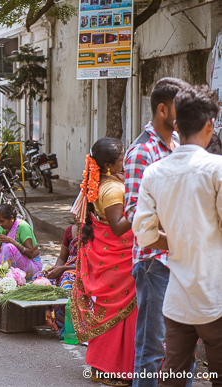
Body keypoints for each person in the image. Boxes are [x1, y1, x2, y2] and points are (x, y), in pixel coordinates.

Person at [133, 85, 222, 387]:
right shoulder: (216, 168)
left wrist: (180, 241)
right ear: (210, 126)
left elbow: (143, 235)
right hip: (214, 297)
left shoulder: (155, 172)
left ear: (177, 124)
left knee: (172, 376)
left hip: (177, 301)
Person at [123, 77, 190, 387]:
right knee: (152, 350)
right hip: (154, 263)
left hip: (181, 262)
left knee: (182, 350)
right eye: (181, 108)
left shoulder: (178, 146)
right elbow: (137, 217)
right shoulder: (142, 152)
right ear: (163, 109)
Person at [72, 137, 137, 387]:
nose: (126, 159)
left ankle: (103, 366)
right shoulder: (112, 190)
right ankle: (114, 370)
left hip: (110, 256)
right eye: (122, 157)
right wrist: (142, 206)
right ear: (109, 165)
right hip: (120, 259)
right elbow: (119, 228)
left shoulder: (104, 182)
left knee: (114, 310)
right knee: (123, 313)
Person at [0, 204, 41, 277]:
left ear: (11, 218)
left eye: (2, 221)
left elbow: (31, 253)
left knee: (9, 247)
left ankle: (4, 275)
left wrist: (12, 241)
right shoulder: (1, 228)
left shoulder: (23, 226)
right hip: (15, 263)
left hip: (31, 264)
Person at [43, 216, 79, 290]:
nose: (77, 216)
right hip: (67, 267)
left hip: (82, 270)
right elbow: (62, 258)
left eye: (80, 212)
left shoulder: (96, 232)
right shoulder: (70, 231)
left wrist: (63, 268)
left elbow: (90, 264)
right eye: (74, 213)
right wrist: (55, 271)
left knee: (68, 278)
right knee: (40, 276)